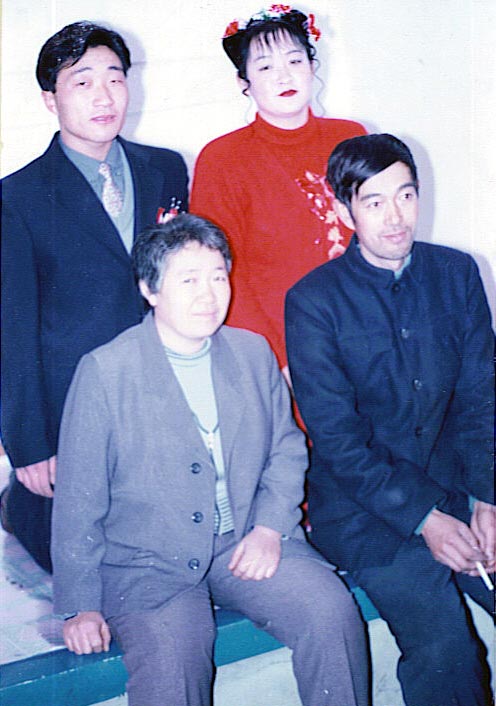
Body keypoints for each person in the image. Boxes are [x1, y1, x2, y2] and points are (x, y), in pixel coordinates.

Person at [51, 213, 369, 706]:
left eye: (218, 277)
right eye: (189, 280)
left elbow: (286, 449)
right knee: (174, 662)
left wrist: (269, 529)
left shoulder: (252, 352)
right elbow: (78, 497)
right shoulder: (106, 371)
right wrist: (79, 606)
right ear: (150, 290)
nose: (208, 294)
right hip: (148, 562)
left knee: (330, 613)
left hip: (243, 539)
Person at [285, 133, 495, 706]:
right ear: (343, 211)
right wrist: (425, 518)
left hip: (462, 488)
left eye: (405, 196)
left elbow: (482, 398)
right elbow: (339, 441)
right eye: (373, 202)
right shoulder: (313, 301)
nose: (395, 217)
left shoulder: (457, 272)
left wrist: (487, 498)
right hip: (367, 511)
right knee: (446, 647)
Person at [0, 21, 189, 572]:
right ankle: (17, 504)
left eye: (114, 78)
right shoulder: (17, 197)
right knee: (83, 562)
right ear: (50, 99)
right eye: (82, 82)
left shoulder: (166, 168)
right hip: (74, 402)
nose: (103, 97)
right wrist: (28, 446)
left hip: (163, 386)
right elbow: (11, 329)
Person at [190, 5, 366, 371]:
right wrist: (278, 362)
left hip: (365, 334)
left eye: (294, 61)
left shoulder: (351, 137)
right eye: (265, 67)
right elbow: (222, 270)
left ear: (312, 66)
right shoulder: (222, 158)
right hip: (282, 350)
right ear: (244, 82)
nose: (283, 76)